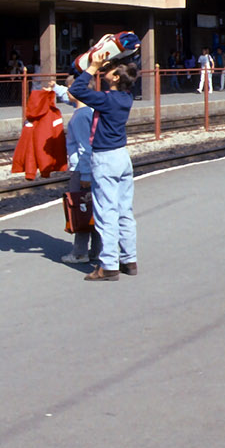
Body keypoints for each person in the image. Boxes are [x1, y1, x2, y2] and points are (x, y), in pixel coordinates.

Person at [71, 55, 139, 280]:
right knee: (124, 210)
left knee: (105, 211)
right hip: (122, 156)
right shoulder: (127, 97)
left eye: (110, 70)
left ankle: (108, 265)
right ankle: (129, 260)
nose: (105, 71)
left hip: (105, 158)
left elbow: (78, 89)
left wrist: (92, 67)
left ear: (116, 78)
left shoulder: (107, 100)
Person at [58, 79, 102, 266]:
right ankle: (96, 251)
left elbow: (86, 147)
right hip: (91, 168)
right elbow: (71, 98)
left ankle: (80, 252)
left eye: (69, 89)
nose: (67, 92)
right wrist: (53, 86)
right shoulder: (88, 110)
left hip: (82, 169)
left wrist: (84, 175)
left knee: (81, 210)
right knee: (94, 210)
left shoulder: (80, 116)